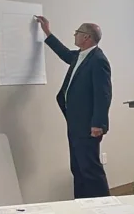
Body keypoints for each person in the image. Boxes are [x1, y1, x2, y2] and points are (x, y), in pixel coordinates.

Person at [35, 16, 111, 198]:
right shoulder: (79, 56)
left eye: (77, 32)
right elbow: (64, 53)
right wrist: (47, 33)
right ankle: (82, 204)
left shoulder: (98, 60)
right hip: (75, 121)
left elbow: (103, 94)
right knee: (77, 167)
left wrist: (98, 124)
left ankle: (104, 206)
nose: (75, 35)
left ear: (87, 37)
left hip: (88, 124)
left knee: (90, 168)